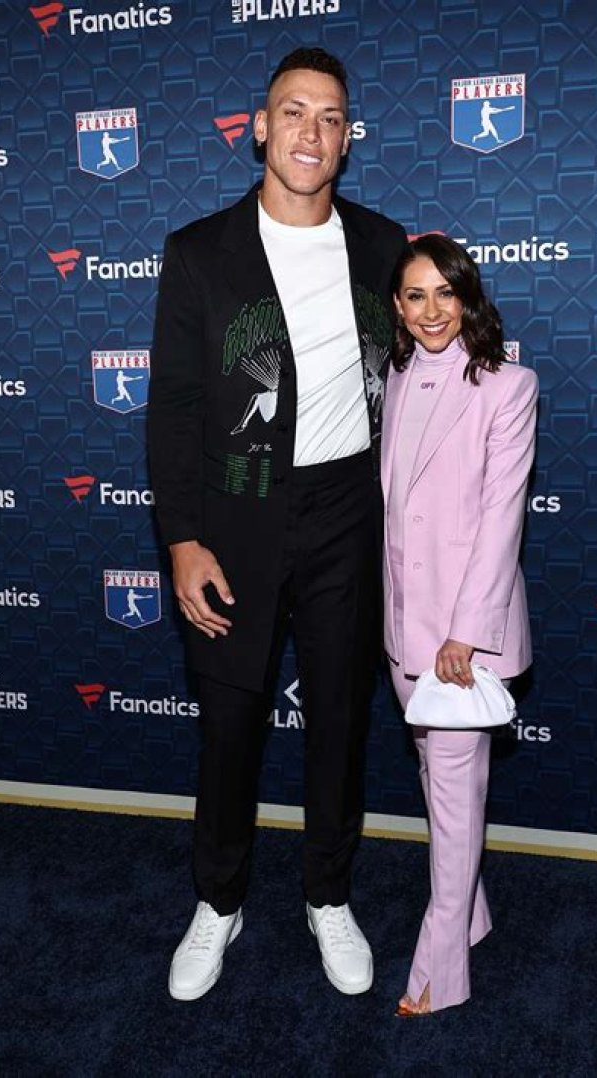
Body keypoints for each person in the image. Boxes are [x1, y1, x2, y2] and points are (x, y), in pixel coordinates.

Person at [148, 47, 405, 1002]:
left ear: (347, 138)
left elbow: (428, 361)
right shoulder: (199, 251)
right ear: (260, 128)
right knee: (229, 727)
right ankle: (218, 901)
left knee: (339, 720)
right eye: (293, 111)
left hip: (347, 514)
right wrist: (182, 541)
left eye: (330, 117)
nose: (311, 132)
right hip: (236, 517)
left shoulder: (382, 245)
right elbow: (174, 407)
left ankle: (327, 894)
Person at [382, 235, 538, 1015]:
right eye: (416, 295)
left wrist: (464, 633)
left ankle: (440, 970)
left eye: (447, 293)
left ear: (468, 298)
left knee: (451, 796)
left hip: (460, 638)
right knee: (439, 784)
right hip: (402, 626)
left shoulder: (508, 385)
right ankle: (470, 914)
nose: (432, 310)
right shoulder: (395, 374)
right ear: (397, 306)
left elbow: (502, 519)